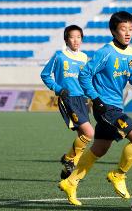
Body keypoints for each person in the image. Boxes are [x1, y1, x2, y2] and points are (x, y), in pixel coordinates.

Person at [58, 11, 132, 206]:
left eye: (131, 29)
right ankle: (118, 175)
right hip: (106, 108)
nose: (128, 33)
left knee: (100, 148)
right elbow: (85, 74)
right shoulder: (106, 52)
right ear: (113, 31)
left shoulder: (131, 54)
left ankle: (71, 181)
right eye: (123, 29)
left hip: (115, 106)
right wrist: (96, 99)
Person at [40, 25, 94, 179]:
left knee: (82, 136)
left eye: (79, 37)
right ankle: (69, 159)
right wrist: (58, 88)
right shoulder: (59, 56)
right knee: (89, 133)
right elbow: (45, 75)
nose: (76, 40)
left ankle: (67, 171)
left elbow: (86, 79)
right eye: (72, 37)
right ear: (66, 39)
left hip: (82, 99)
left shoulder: (84, 57)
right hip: (68, 99)